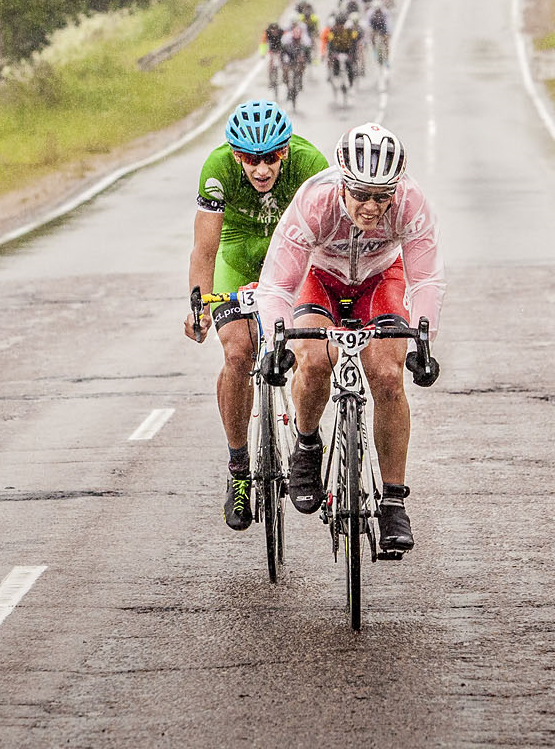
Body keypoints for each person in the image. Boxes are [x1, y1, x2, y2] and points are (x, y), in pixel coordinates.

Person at [253, 123, 444, 552]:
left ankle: (394, 502)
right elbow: (278, 286)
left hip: (381, 279)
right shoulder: (314, 201)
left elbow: (427, 278)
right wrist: (275, 345)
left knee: (387, 375)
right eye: (360, 194)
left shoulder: (411, 203)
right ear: (342, 183)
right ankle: (306, 445)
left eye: (381, 196)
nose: (372, 206)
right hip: (320, 278)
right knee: (315, 361)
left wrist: (425, 341)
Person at [184, 100, 330, 532]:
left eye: (271, 157)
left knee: (311, 349)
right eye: (250, 158)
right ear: (235, 156)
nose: (262, 169)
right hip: (239, 253)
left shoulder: (310, 163)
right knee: (238, 352)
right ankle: (239, 470)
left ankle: (307, 434)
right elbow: (205, 249)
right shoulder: (217, 169)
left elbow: (326, 238)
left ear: (286, 151)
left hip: (292, 255)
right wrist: (198, 304)